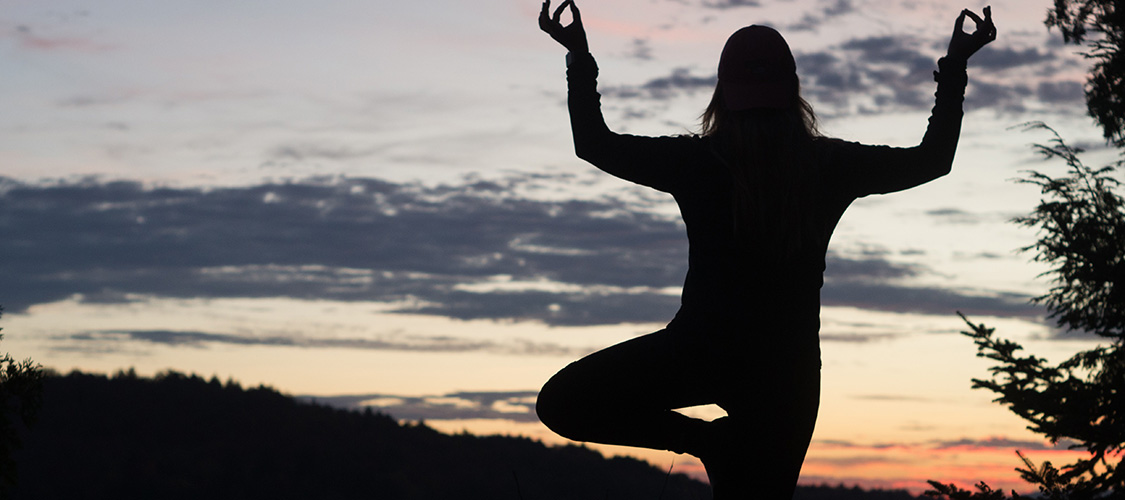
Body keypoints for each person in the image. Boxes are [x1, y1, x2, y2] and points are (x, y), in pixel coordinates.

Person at [535, 2, 996, 499]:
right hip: (786, 375)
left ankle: (708, 443)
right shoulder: (829, 165)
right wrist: (955, 65)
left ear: (723, 95)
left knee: (563, 403)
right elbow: (932, 160)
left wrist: (579, 55)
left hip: (700, 351)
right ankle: (712, 444)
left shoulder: (697, 161)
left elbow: (594, 143)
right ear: (792, 92)